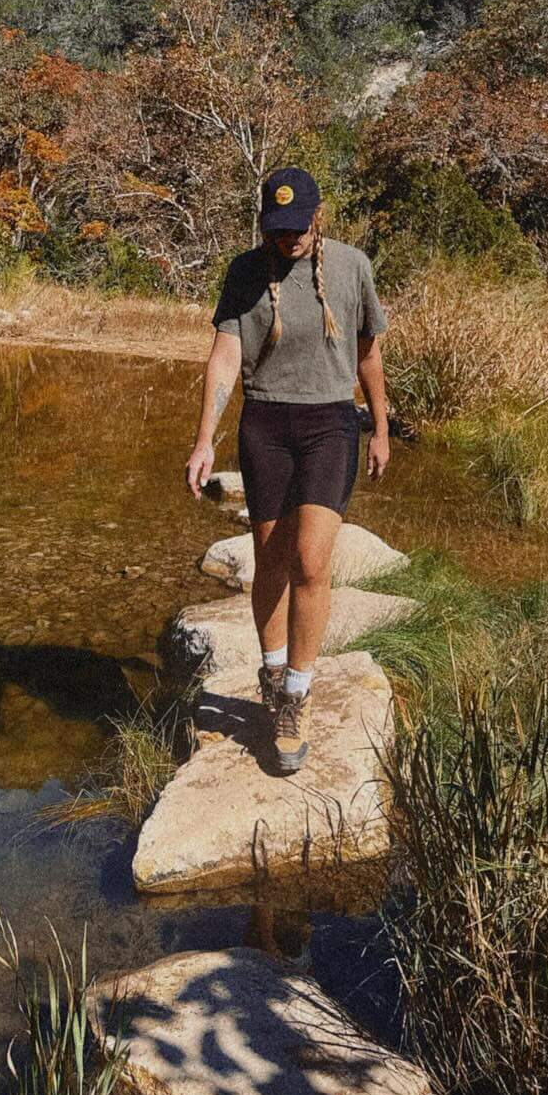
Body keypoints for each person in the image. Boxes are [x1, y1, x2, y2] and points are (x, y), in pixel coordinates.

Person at [185, 165, 389, 773]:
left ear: (317, 217)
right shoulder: (245, 272)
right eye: (278, 230)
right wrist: (203, 442)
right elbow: (225, 359)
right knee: (269, 561)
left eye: (298, 228)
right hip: (266, 426)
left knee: (310, 560)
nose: (289, 239)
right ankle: (272, 674)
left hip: (330, 425)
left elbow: (367, 352)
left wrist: (379, 426)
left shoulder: (352, 267)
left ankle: (298, 693)